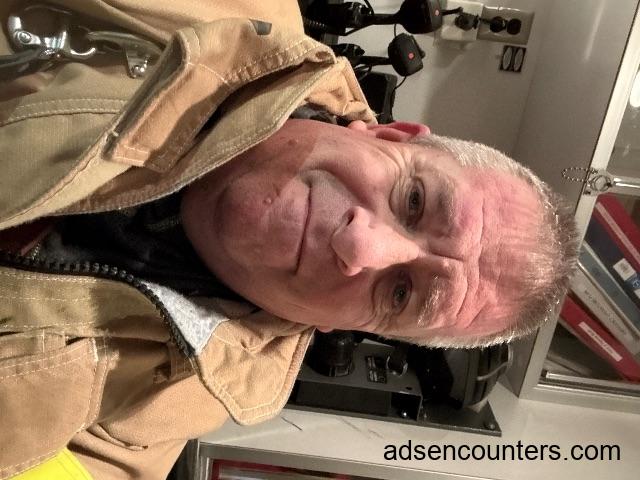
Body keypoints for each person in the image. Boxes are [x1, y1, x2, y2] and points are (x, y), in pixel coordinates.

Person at [0, 0, 577, 479]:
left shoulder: (150, 420)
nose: (361, 249)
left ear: (340, 327)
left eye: (400, 293)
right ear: (389, 134)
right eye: (414, 202)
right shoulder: (222, 10)